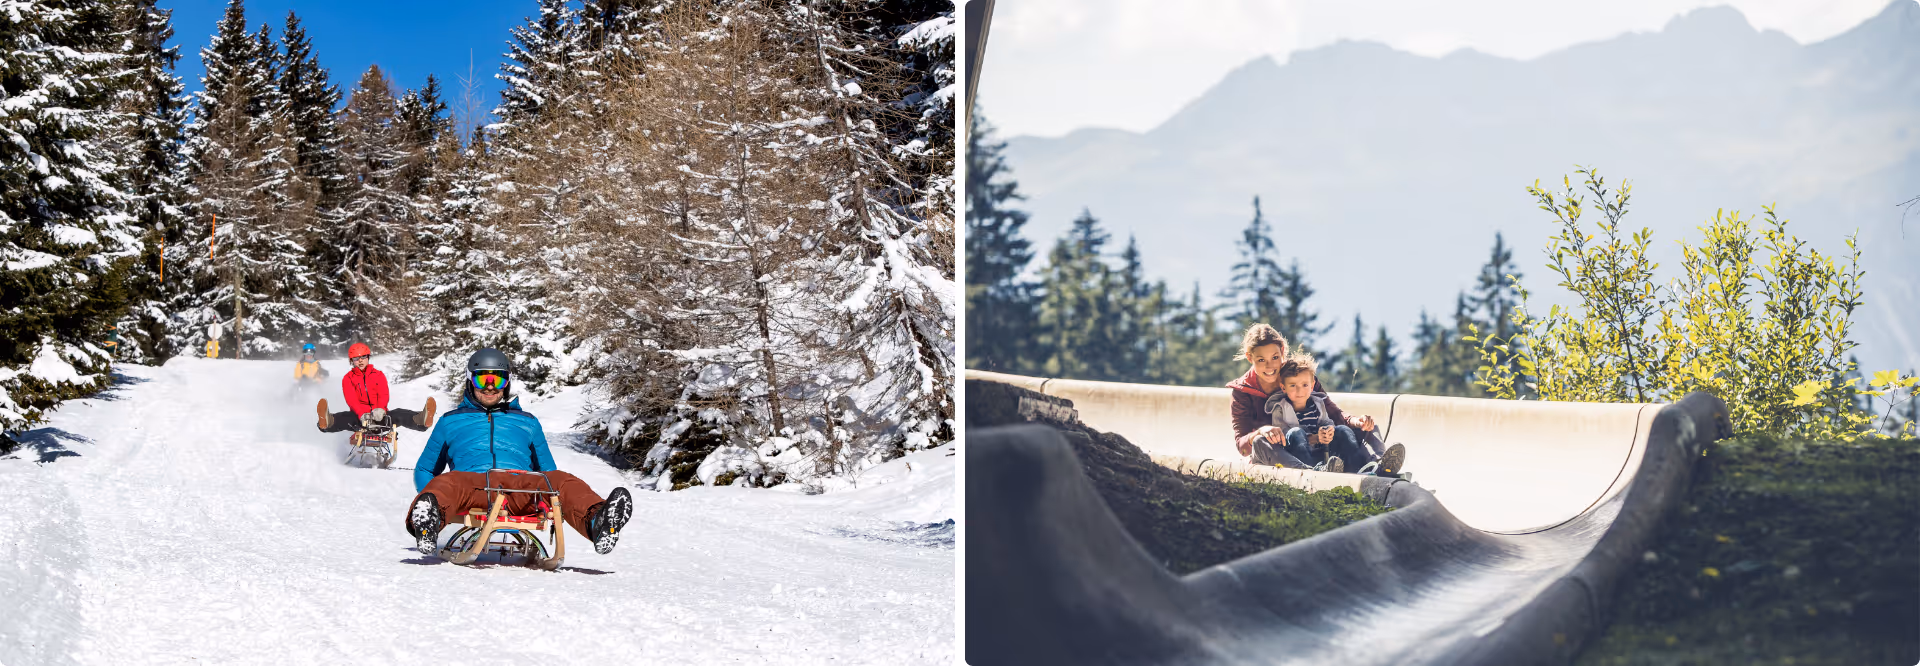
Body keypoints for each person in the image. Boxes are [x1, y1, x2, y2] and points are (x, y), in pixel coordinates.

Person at [404, 348, 635, 556]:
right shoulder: (450, 422)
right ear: (470, 380)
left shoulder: (528, 422)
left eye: (498, 380)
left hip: (519, 486)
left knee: (561, 480)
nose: (490, 386)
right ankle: (427, 520)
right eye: (483, 378)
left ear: (507, 383)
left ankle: (599, 522)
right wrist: (432, 494)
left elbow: (547, 471)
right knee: (448, 481)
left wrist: (551, 501)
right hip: (472, 485)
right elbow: (425, 468)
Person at [1227, 323, 1405, 476]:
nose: (1270, 366)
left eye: (1275, 357)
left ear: (1282, 351)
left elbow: (1332, 412)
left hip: (1313, 449)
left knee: (1365, 426)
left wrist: (1356, 422)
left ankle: (1380, 467)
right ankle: (1311, 474)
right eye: (1261, 360)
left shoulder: (1298, 377)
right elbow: (1241, 446)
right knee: (1260, 442)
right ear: (1250, 358)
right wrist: (1261, 431)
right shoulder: (1242, 392)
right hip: (1279, 456)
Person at [316, 341, 435, 433]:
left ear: (368, 357)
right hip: (360, 418)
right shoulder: (348, 378)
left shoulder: (378, 375)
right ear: (351, 361)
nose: (360, 361)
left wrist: (381, 409)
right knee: (345, 418)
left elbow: (383, 394)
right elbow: (351, 400)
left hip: (380, 417)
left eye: (363, 357)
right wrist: (362, 414)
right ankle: (327, 421)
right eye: (356, 359)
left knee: (399, 413)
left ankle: (421, 419)